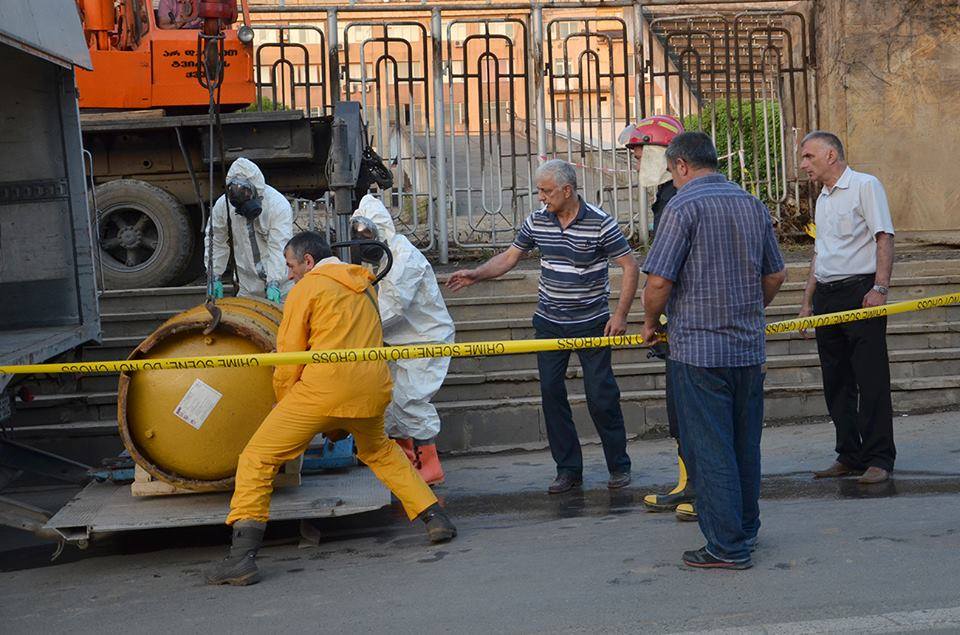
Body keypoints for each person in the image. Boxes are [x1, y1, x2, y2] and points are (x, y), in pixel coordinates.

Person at [205, 231, 456, 586]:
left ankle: (241, 558)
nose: (289, 274)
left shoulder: (306, 289)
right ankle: (435, 518)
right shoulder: (364, 284)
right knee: (380, 452)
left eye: (291, 266)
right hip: (372, 389)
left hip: (323, 390)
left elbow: (290, 355)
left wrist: (285, 403)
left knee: (257, 457)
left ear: (308, 262)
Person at [448, 159, 639, 494]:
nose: (541, 197)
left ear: (568, 190)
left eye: (547, 191)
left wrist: (620, 315)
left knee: (601, 396)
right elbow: (510, 256)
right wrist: (475, 274)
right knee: (552, 395)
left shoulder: (600, 222)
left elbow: (629, 266)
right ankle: (568, 470)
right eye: (539, 191)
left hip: (592, 324)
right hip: (549, 323)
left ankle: (618, 467)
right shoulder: (537, 220)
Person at [641, 132, 786, 570]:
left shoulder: (682, 206)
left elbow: (659, 282)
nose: (671, 178)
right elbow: (776, 275)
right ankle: (745, 530)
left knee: (711, 448)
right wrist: (746, 308)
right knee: (745, 445)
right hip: (746, 348)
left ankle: (726, 546)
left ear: (682, 165)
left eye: (670, 170)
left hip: (699, 350)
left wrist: (650, 323)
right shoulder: (750, 202)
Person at [798, 131, 896, 485]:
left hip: (860, 291)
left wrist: (879, 288)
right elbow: (819, 253)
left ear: (830, 155)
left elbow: (883, 236)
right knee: (836, 380)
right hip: (827, 294)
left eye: (808, 156)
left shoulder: (865, 186)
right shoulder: (822, 197)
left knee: (870, 378)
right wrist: (807, 302)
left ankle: (879, 458)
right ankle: (849, 453)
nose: (803, 164)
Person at [350, 195, 455, 486]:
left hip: (426, 339)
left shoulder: (403, 257)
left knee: (411, 401)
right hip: (398, 341)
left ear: (379, 228)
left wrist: (355, 331)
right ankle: (404, 463)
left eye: (367, 234)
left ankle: (430, 466)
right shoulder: (382, 257)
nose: (363, 241)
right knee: (391, 404)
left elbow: (393, 307)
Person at [621, 115, 696, 521]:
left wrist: (654, 319)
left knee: (687, 409)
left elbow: (662, 275)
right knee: (679, 409)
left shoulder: (674, 199)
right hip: (682, 318)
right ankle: (688, 483)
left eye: (638, 152)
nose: (635, 160)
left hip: (683, 319)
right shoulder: (668, 196)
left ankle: (697, 487)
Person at [205, 157, 293, 304]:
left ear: (257, 191)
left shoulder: (277, 205)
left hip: (282, 287)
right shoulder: (223, 206)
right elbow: (216, 240)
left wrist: (274, 281)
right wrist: (214, 275)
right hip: (247, 287)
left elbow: (279, 246)